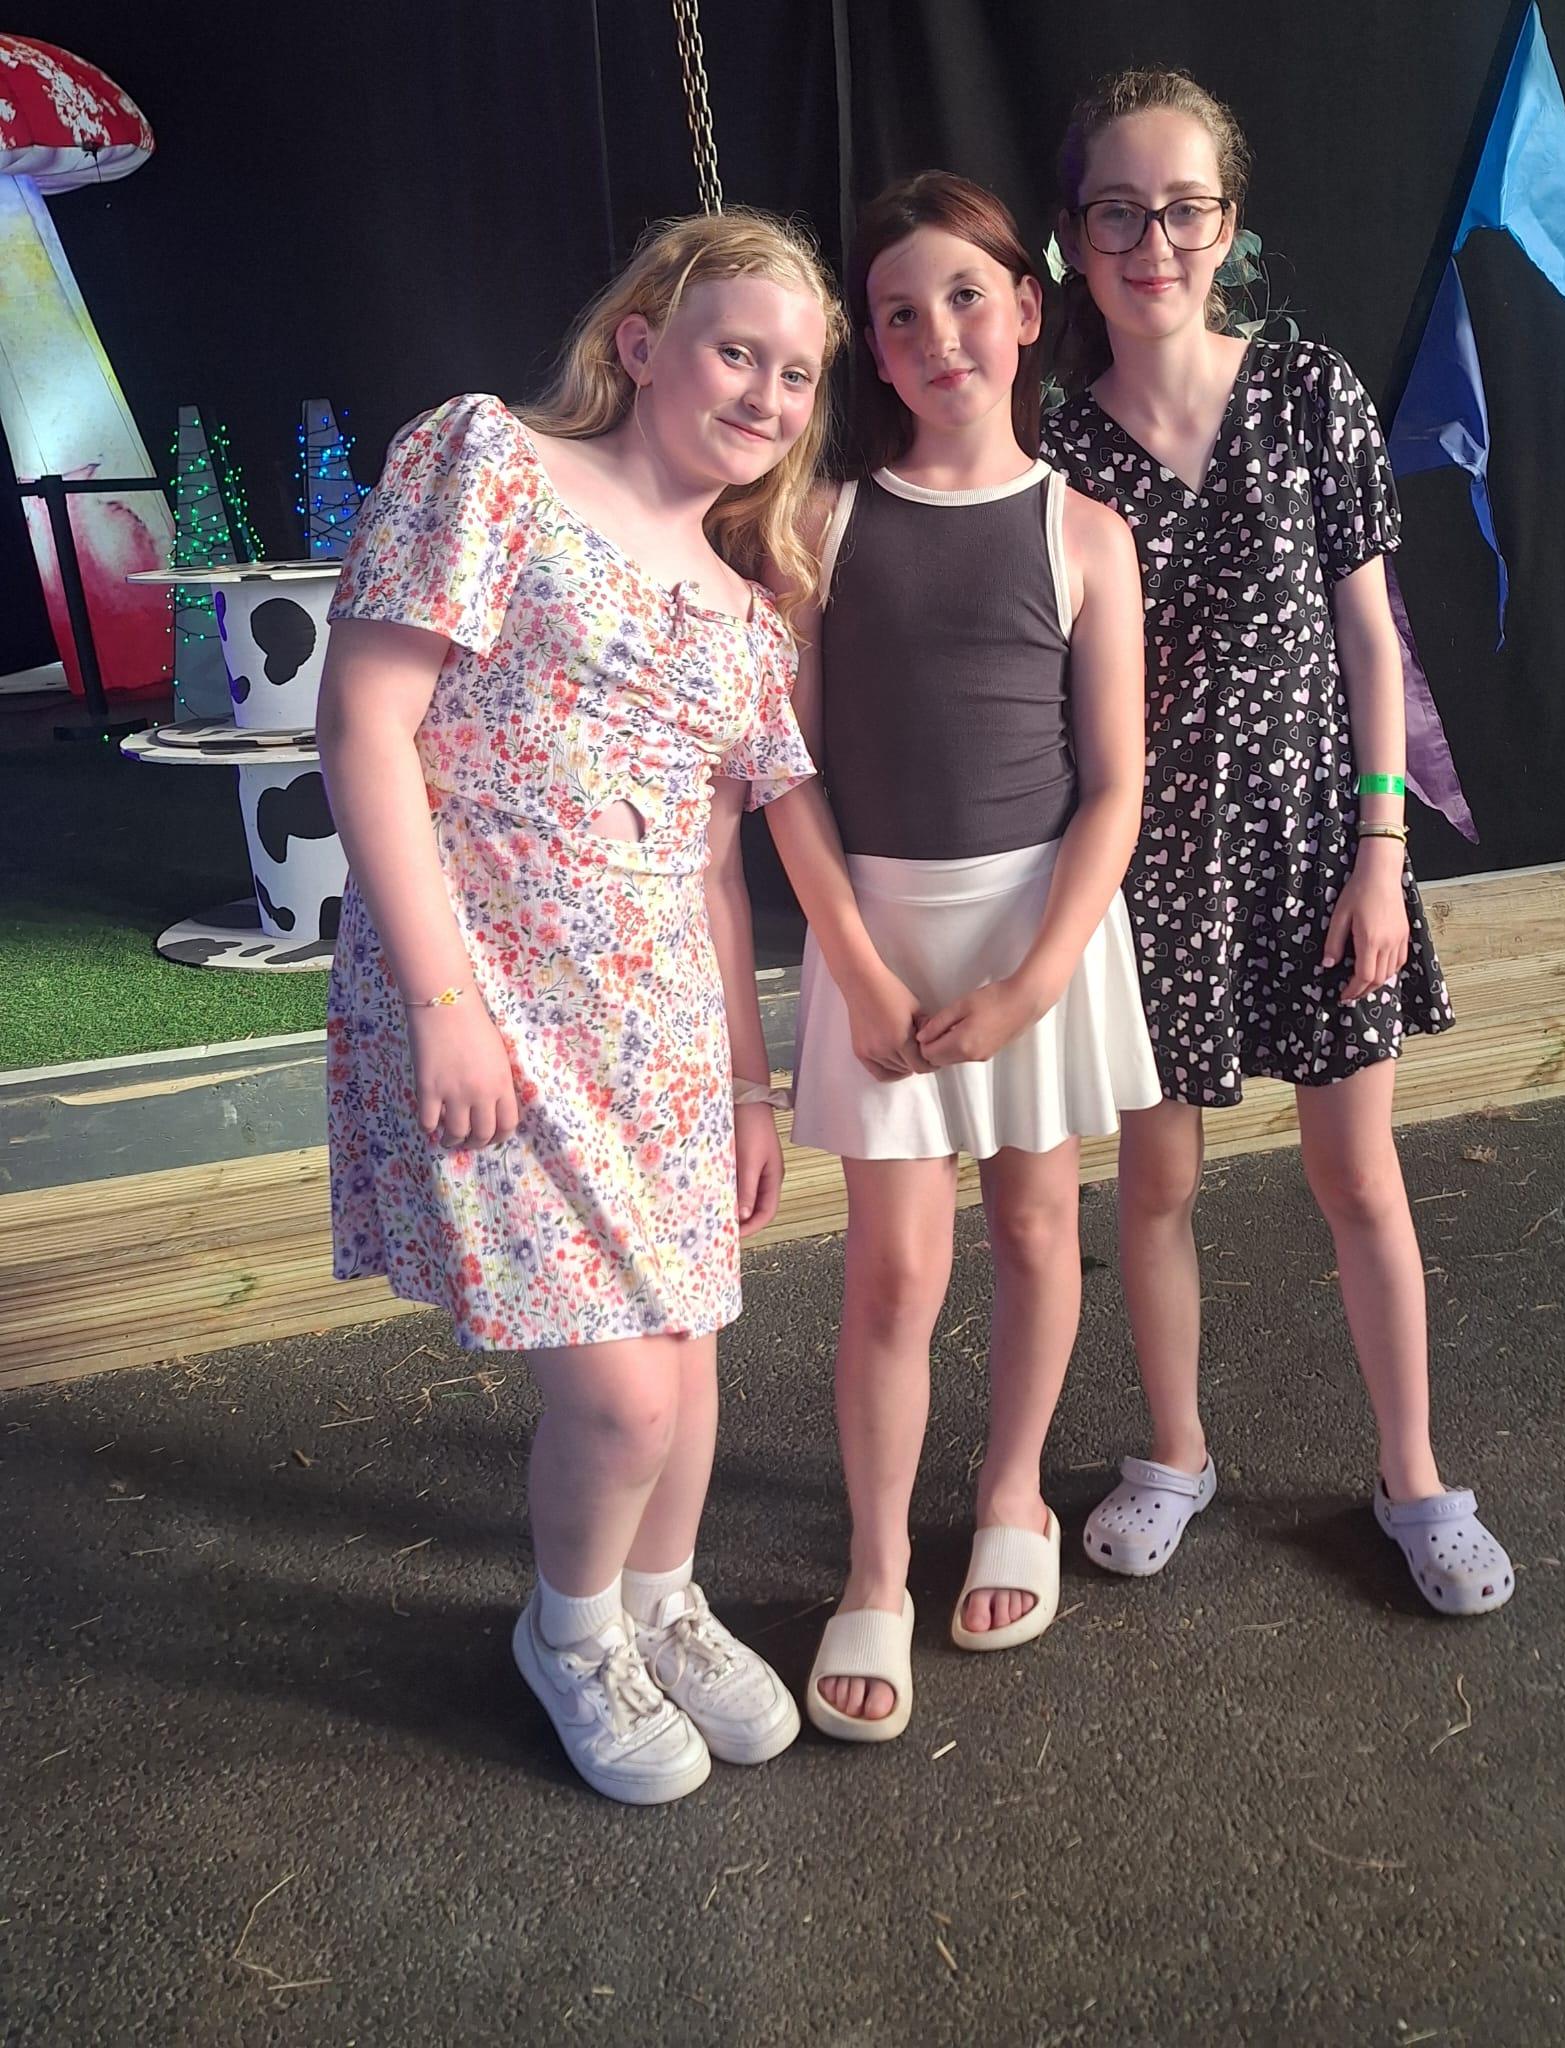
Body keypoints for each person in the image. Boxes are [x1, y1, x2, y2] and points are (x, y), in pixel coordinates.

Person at [318, 211, 844, 1803]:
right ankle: (569, 1633)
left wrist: (746, 1087)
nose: (765, 394)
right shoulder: (492, 468)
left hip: (659, 1038)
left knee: (687, 1357)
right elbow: (365, 725)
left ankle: (657, 1602)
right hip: (499, 1009)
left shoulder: (745, 610)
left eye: (797, 374)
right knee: (618, 1397)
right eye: (736, 350)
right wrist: (443, 1004)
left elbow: (713, 869)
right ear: (642, 341)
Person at [1039, 71, 1513, 1615]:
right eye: (1119, 212)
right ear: (1076, 237)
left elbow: (1374, 638)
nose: (1152, 243)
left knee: (1358, 1176)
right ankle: (1174, 1453)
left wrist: (1383, 850)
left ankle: (1416, 1478)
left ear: (1228, 224)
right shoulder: (1056, 447)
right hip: (1152, 870)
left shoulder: (1311, 392)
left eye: (1183, 210)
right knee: (1155, 1184)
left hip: (1322, 850)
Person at [763, 172, 1154, 1741]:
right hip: (878, 934)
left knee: (1039, 1226)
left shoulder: (1085, 531)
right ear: (871, 347)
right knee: (894, 1269)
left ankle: (1012, 1494)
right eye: (902, 315)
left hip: (1034, 934)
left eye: (967, 298)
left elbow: (1114, 785)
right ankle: (873, 1567)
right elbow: (783, 771)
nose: (939, 336)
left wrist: (1038, 980)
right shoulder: (822, 525)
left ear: (1028, 311)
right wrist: (856, 968)